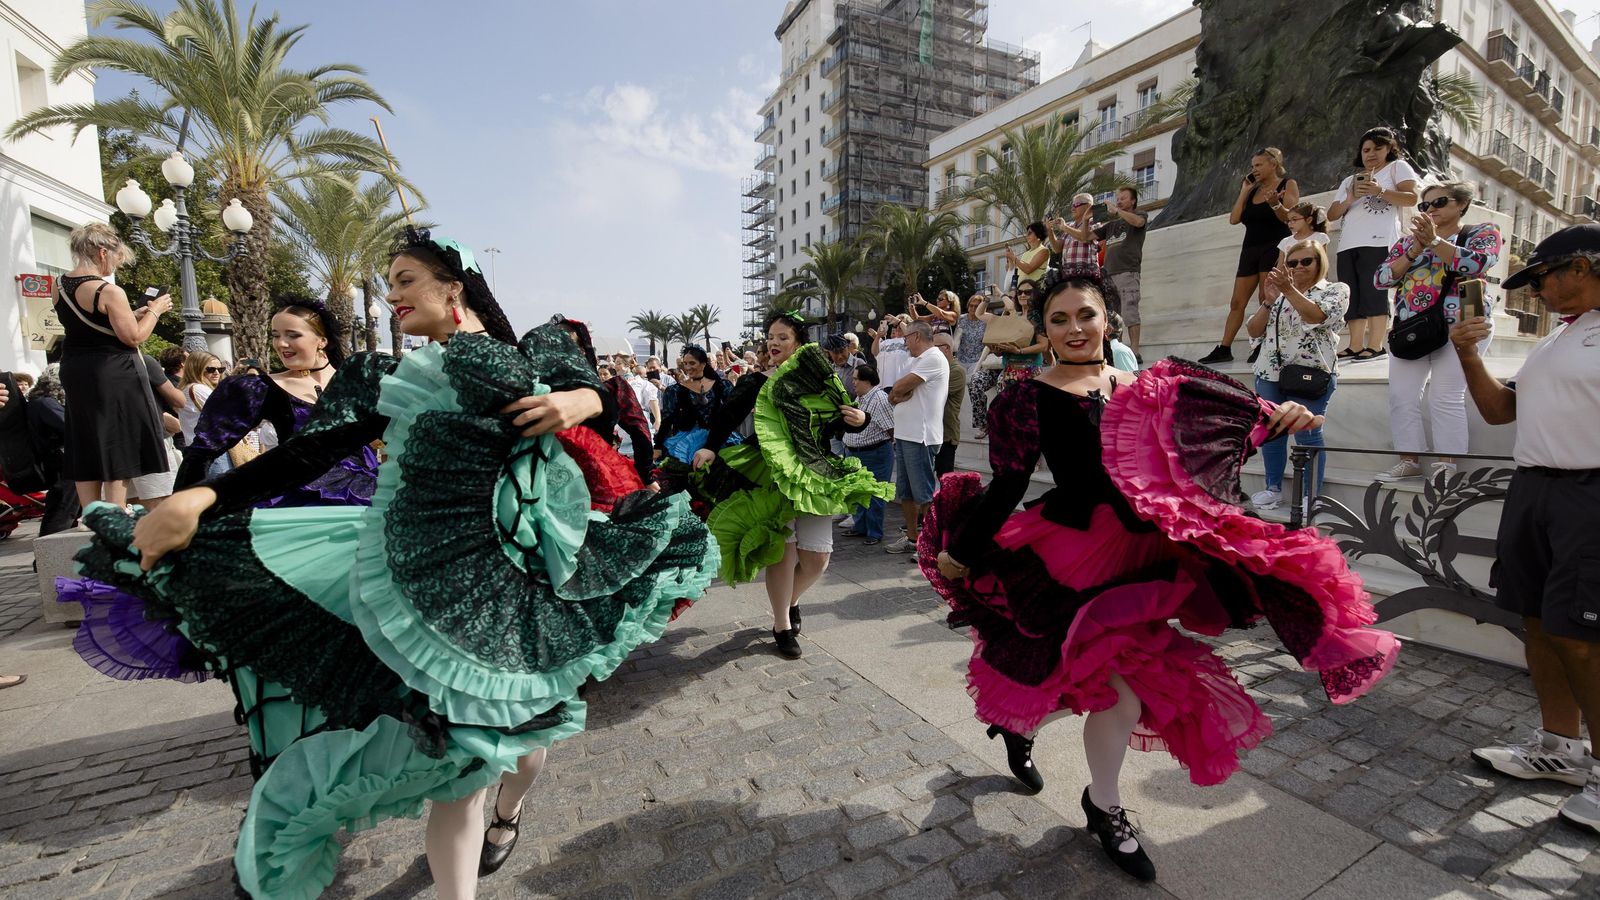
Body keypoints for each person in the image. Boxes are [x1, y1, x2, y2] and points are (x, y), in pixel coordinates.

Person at [70, 227, 718, 900]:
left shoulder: (536, 349)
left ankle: (512, 812)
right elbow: (309, 451)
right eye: (389, 282)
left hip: (523, 576)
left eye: (406, 279)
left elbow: (598, 391)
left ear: (453, 287)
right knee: (466, 772)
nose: (392, 293)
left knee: (525, 749)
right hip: (423, 575)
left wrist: (575, 400)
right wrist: (204, 495)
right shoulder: (388, 376)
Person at [920, 273, 1397, 883]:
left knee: (1105, 682)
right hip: (1075, 558)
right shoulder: (1022, 398)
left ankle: (1023, 724)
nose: (1073, 329)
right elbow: (1009, 484)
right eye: (1059, 319)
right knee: (1123, 690)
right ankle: (1106, 807)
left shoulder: (1152, 384)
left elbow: (1222, 426)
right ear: (1043, 330)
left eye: (1085, 316)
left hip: (1147, 558)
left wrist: (1282, 416)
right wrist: (961, 549)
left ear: (1109, 321)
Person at [1455, 224, 1600, 835]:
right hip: (1535, 487)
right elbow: (1497, 410)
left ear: (1586, 266)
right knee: (1538, 621)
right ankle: (1560, 747)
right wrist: (1467, 354)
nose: (1538, 290)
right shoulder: (1557, 340)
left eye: (1544, 277)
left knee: (1582, 636)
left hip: (1590, 494)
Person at [692, 310, 889, 659]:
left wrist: (861, 419)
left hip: (814, 471)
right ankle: (782, 623)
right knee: (782, 553)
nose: (773, 342)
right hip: (768, 472)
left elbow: (839, 422)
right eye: (770, 337)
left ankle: (791, 600)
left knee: (818, 559)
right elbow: (726, 416)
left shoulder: (819, 380)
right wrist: (709, 446)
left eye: (782, 337)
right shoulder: (756, 381)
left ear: (798, 342)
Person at [176, 301, 380, 507]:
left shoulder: (360, 381)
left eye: (292, 335)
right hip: (301, 500)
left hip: (369, 493)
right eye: (275, 335)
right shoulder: (259, 388)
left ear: (322, 340)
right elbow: (202, 452)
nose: (281, 343)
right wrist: (181, 508)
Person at [1373, 181, 1502, 483]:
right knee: (1401, 396)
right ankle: (1409, 459)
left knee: (1446, 396)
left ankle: (1447, 465)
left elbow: (1477, 263)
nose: (1430, 209)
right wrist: (1416, 247)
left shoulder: (1481, 232)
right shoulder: (1408, 242)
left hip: (1461, 323)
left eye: (1439, 202)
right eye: (1424, 205)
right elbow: (1381, 279)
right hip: (1411, 328)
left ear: (1461, 205)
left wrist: (1433, 242)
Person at [55, 222, 172, 511]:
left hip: (75, 367)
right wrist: (154, 312)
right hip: (112, 369)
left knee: (84, 435)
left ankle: (90, 511)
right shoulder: (108, 291)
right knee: (116, 435)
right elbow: (132, 337)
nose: (115, 267)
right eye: (117, 259)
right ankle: (116, 507)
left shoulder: (58, 286)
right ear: (103, 252)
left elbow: (91, 326)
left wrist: (133, 313)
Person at [1245, 240, 1349, 510]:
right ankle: (1272, 488)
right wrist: (1268, 301)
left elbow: (1316, 316)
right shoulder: (1278, 296)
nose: (1299, 267)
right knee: (1272, 433)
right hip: (1270, 374)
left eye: (1306, 261)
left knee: (1308, 434)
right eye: (1292, 262)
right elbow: (1254, 331)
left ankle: (1309, 495)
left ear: (1320, 263)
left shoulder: (1335, 290)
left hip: (1311, 375)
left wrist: (1289, 290)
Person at [1328, 127, 1421, 361]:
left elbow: (1411, 197)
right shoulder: (1350, 181)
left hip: (1379, 241)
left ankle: (1376, 344)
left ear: (1389, 148)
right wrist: (1351, 198)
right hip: (1348, 243)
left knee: (1374, 292)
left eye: (1377, 148)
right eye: (1366, 149)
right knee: (1353, 295)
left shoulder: (1397, 167)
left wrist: (1380, 191)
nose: (1371, 154)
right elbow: (1331, 214)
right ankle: (1356, 345)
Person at [1200, 147, 1301, 363]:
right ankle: (1224, 348)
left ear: (1273, 164)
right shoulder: (1252, 190)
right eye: (1252, 165)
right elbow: (1234, 219)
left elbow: (1291, 217)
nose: (1254, 169)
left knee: (1265, 298)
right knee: (1237, 302)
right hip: (1250, 249)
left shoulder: (1287, 184)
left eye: (1259, 165)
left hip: (1274, 246)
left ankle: (1263, 344)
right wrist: (1244, 191)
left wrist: (1275, 202)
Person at [886, 322, 949, 554]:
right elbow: (894, 393)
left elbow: (900, 387)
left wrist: (897, 392)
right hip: (905, 435)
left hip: (920, 436)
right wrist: (896, 393)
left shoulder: (933, 357)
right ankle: (913, 539)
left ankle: (932, 544)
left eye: (905, 338)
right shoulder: (918, 360)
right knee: (906, 492)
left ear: (915, 336)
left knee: (923, 494)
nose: (904, 343)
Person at [968, 279, 1049, 440]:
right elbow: (980, 314)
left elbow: (1043, 345)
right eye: (1020, 292)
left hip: (1029, 371)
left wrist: (1019, 350)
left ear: (1036, 294)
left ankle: (1030, 458)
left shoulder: (1037, 316)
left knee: (1026, 418)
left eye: (1028, 292)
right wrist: (999, 351)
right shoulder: (1013, 315)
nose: (1023, 295)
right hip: (1008, 371)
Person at [841, 364, 896, 545]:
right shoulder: (860, 397)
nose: (853, 382)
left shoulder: (879, 399)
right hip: (855, 453)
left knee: (875, 494)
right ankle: (860, 527)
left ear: (867, 381)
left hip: (876, 452)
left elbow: (891, 427)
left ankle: (874, 532)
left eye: (856, 379)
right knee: (858, 492)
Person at [652, 344, 733, 465]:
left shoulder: (721, 385)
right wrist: (658, 446)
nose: (688, 367)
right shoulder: (675, 390)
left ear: (703, 364)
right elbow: (668, 419)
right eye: (685, 363)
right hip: (687, 442)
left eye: (692, 363)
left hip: (717, 439)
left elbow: (733, 412)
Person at [1093, 187, 1149, 354]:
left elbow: (1138, 223)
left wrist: (1116, 211)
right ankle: (1119, 350)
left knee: (1129, 311)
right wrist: (1086, 217)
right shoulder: (1110, 225)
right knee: (1113, 316)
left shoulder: (1141, 215)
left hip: (1127, 271)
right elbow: (1085, 237)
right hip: (1108, 274)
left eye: (1123, 198)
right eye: (1117, 198)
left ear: (1133, 201)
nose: (1119, 200)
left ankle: (1135, 351)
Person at [24, 367, 78, 535]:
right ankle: (45, 559)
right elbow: (69, 427)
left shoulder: (39, 402)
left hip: (57, 461)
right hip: (61, 462)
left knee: (66, 508)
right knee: (62, 510)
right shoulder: (46, 403)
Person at [176, 352, 230, 478]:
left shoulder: (186, 388)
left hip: (198, 451)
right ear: (197, 368)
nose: (217, 373)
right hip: (213, 452)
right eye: (211, 369)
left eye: (220, 369)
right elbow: (228, 414)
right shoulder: (199, 389)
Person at [932, 332, 966, 476]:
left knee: (945, 478)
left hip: (946, 434)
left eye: (934, 348)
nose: (930, 352)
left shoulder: (956, 371)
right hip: (933, 432)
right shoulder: (937, 368)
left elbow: (933, 394)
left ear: (946, 348)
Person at [1008, 221, 1055, 286]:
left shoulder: (1044, 251)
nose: (1027, 235)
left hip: (1035, 292)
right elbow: (1016, 271)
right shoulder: (1025, 253)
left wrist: (1013, 257)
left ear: (1039, 235)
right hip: (1022, 292)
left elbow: (1028, 269)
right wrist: (1010, 258)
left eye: (1030, 233)